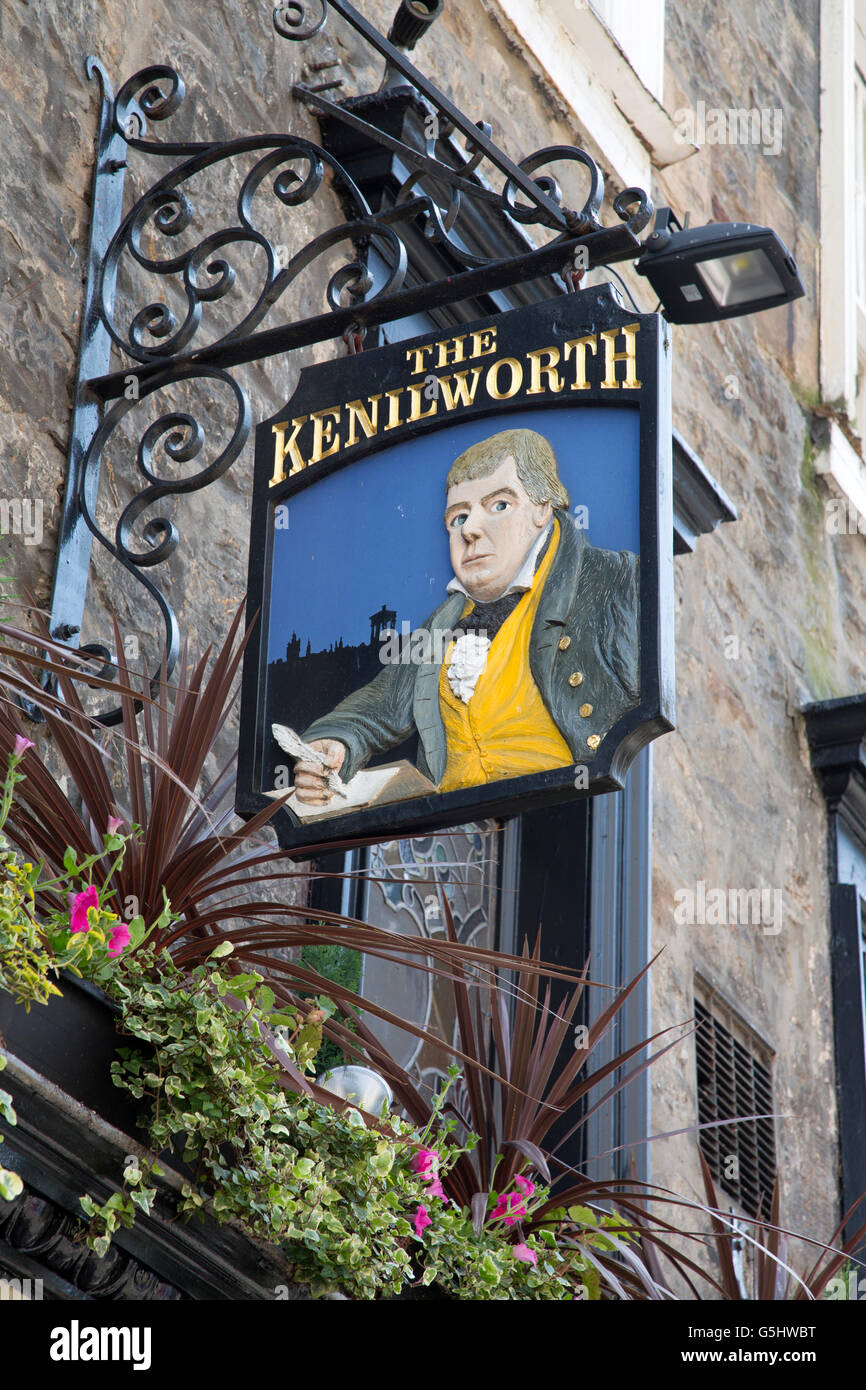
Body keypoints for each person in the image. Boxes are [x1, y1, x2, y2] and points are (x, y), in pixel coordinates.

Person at [292, 427, 640, 806]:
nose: (470, 530)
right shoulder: (444, 621)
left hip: (566, 813)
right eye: (458, 517)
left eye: (499, 505)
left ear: (543, 507)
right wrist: (336, 741)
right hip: (454, 827)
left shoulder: (618, 580)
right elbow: (382, 705)